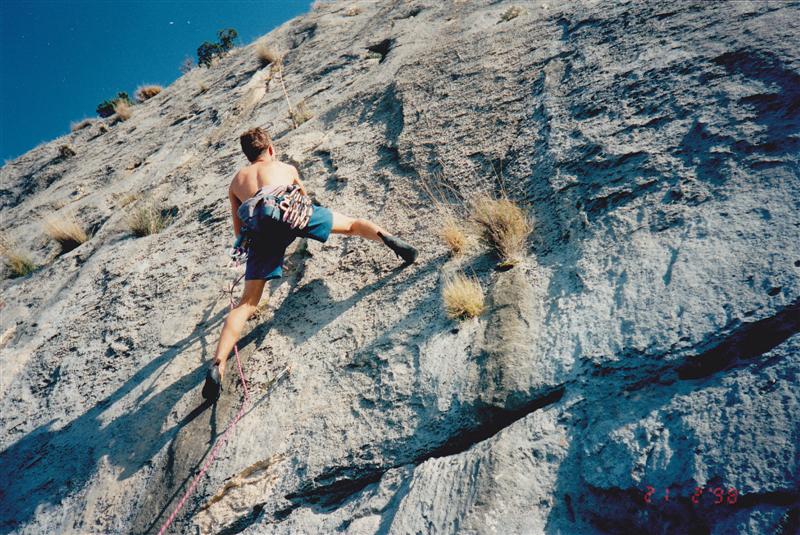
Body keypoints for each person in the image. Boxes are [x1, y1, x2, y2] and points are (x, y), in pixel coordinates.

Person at [202, 127, 418, 400]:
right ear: (270, 149)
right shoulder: (285, 167)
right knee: (351, 225)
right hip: (292, 214)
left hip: (261, 234)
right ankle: (387, 237)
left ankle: (218, 365)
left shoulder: (236, 182)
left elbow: (239, 232)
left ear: (247, 155)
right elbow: (303, 201)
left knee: (247, 303)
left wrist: (266, 251)